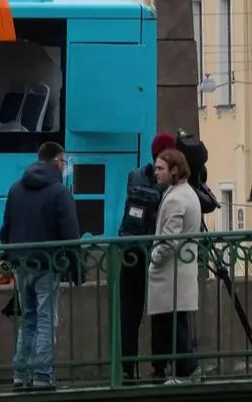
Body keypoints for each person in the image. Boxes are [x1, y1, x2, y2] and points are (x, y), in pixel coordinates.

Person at [0, 141, 81, 390]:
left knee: (29, 319)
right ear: (57, 161)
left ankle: (20, 374)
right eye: (64, 162)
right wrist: (77, 265)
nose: (64, 167)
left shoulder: (15, 189)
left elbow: (6, 230)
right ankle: (43, 375)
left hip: (21, 264)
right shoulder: (58, 191)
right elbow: (71, 233)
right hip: (47, 264)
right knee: (46, 319)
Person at [113, 132, 175, 383]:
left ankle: (127, 368)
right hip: (155, 254)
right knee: (160, 312)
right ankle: (159, 368)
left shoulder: (134, 175)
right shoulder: (169, 182)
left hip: (130, 251)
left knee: (129, 313)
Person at [146, 147, 202, 384]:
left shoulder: (177, 198)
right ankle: (184, 370)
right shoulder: (184, 192)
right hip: (180, 269)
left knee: (174, 324)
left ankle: (185, 372)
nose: (155, 172)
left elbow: (170, 240)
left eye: (160, 168)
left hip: (172, 271)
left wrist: (154, 258)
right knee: (174, 321)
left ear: (174, 170)